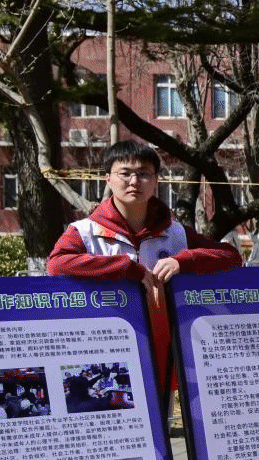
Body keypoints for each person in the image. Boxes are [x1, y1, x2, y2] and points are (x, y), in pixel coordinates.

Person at [48, 141, 243, 379]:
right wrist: (127, 268)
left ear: (156, 180)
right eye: (125, 173)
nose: (134, 181)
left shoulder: (176, 232)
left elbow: (231, 256)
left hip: (164, 351)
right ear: (107, 178)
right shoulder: (85, 231)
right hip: (107, 347)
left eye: (143, 174)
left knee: (163, 404)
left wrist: (183, 261)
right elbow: (57, 264)